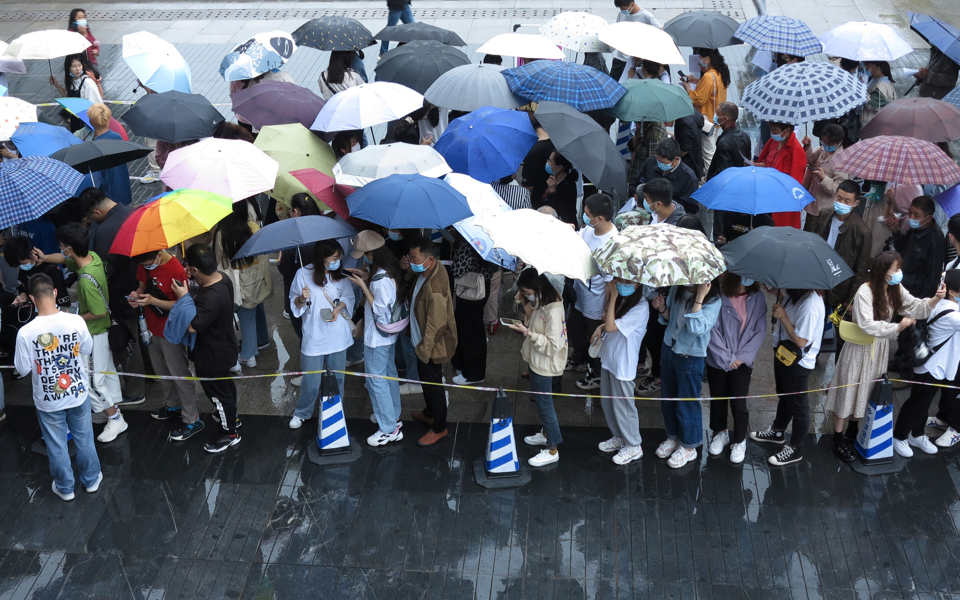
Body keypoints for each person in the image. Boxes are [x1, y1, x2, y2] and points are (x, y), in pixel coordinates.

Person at [826, 252, 942, 461]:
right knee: (847, 392)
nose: (899, 274)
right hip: (858, 349)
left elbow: (915, 306)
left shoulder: (895, 289)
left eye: (899, 268)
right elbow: (867, 324)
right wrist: (897, 326)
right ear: (883, 272)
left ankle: (853, 432)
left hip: (878, 349)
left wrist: (936, 299)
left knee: (867, 391)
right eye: (895, 270)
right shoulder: (865, 292)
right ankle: (837, 439)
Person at [35, 224, 128, 443]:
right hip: (101, 333)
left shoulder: (86, 280)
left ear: (70, 248)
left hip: (94, 335)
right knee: (107, 374)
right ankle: (110, 410)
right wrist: (45, 257)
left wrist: (70, 316)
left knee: (92, 381)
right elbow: (65, 260)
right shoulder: (92, 258)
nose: (62, 250)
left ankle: (115, 417)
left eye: (62, 247)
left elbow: (98, 312)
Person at [15, 273, 102, 501]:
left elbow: (22, 369)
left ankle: (65, 488)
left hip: (47, 399)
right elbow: (86, 349)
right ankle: (91, 480)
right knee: (84, 439)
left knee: (56, 444)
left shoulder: (25, 332)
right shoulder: (76, 321)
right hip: (77, 393)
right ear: (54, 293)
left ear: (32, 299)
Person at [78, 189, 145, 404]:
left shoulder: (106, 230)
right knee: (142, 339)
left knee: (127, 344)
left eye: (90, 217)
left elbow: (104, 269)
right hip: (140, 287)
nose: (89, 221)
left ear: (96, 212)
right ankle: (149, 377)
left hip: (121, 296)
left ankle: (135, 391)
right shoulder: (132, 212)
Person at [172, 243, 241, 453]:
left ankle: (229, 433)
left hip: (211, 356)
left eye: (187, 266)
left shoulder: (210, 297)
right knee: (225, 389)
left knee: (218, 395)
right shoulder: (223, 278)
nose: (185, 269)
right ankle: (232, 418)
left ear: (194, 270)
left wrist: (183, 298)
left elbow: (193, 326)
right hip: (224, 347)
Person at [128, 248, 203, 441]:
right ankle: (173, 404)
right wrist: (137, 294)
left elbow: (183, 304)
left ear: (159, 255)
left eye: (148, 264)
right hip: (151, 328)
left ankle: (191, 416)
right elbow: (142, 284)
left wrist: (153, 301)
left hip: (172, 330)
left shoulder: (176, 270)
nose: (146, 267)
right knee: (161, 369)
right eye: (143, 265)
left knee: (179, 372)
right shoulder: (143, 260)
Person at [750, 287, 825, 466]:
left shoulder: (810, 305)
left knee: (799, 405)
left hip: (798, 360)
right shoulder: (798, 293)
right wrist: (780, 293)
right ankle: (777, 431)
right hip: (785, 351)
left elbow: (801, 341)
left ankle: (795, 448)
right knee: (784, 394)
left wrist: (783, 317)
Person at [651, 280, 721, 468]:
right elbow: (670, 319)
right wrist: (662, 308)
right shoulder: (677, 289)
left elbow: (696, 329)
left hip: (690, 355)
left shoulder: (713, 300)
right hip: (669, 348)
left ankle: (689, 446)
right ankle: (673, 437)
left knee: (687, 402)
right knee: (668, 399)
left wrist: (699, 297)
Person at [892, 269, 960, 458]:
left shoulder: (941, 304)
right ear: (952, 292)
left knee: (924, 402)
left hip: (935, 365)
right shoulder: (952, 316)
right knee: (917, 402)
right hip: (932, 366)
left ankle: (917, 434)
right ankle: (900, 436)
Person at [289, 240, 356, 430]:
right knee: (311, 378)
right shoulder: (302, 274)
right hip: (314, 335)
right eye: (333, 258)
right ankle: (303, 412)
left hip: (337, 335)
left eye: (338, 258)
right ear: (322, 258)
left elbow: (348, 298)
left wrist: (338, 308)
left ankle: (336, 410)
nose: (337, 261)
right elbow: (295, 304)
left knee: (337, 378)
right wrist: (302, 298)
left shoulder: (340, 276)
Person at [344, 232, 404, 444]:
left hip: (377, 338)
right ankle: (393, 417)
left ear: (373, 254)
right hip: (389, 336)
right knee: (389, 375)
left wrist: (363, 286)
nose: (363, 258)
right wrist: (364, 275)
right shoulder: (388, 270)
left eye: (365, 255)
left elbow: (379, 310)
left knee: (376, 381)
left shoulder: (378, 281)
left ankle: (388, 428)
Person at [507, 267, 568, 467]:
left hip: (545, 364)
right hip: (536, 360)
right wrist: (524, 301)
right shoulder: (544, 300)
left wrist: (528, 333)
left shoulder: (554, 309)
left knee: (545, 405)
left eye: (528, 292)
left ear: (538, 287)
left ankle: (552, 448)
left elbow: (552, 345)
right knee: (543, 404)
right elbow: (533, 317)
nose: (527, 295)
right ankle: (545, 433)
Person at [705, 273, 766, 464]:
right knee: (718, 398)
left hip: (742, 362)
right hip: (718, 360)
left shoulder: (757, 297)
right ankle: (720, 432)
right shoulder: (719, 295)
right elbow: (712, 329)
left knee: (739, 402)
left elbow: (759, 330)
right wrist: (726, 357)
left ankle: (739, 440)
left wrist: (740, 358)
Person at [406, 237, 457, 447]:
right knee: (427, 383)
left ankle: (439, 427)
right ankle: (429, 413)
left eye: (414, 258)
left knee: (434, 386)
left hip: (430, 348)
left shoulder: (434, 287)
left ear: (429, 259)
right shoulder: (429, 270)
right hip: (422, 344)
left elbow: (436, 325)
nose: (410, 261)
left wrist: (424, 351)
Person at [593, 277, 649, 465]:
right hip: (610, 358)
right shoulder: (624, 300)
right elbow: (605, 319)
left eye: (627, 281)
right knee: (609, 402)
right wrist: (610, 296)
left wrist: (614, 296)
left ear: (639, 284)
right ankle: (619, 436)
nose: (621, 284)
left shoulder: (640, 306)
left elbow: (611, 325)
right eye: (619, 279)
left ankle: (634, 445)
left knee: (624, 406)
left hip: (624, 364)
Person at [213, 198, 272, 369]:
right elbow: (262, 258)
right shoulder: (253, 228)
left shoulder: (221, 233)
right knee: (248, 320)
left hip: (231, 283)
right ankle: (249, 355)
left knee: (226, 321)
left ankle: (232, 356)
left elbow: (218, 259)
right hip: (252, 282)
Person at [567, 194, 617, 389]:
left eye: (588, 215)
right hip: (580, 294)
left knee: (594, 338)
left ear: (601, 218)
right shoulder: (589, 229)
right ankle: (577, 360)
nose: (585, 218)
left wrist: (606, 309)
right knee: (575, 329)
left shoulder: (612, 243)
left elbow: (609, 284)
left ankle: (595, 373)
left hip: (596, 302)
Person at [816, 181, 872, 319]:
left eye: (847, 201)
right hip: (820, 277)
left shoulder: (862, 231)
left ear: (855, 203)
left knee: (837, 327)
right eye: (839, 198)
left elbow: (861, 268)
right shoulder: (825, 214)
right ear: (835, 195)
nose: (842, 203)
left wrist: (851, 299)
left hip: (842, 286)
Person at [450, 232, 497, 385]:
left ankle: (473, 373)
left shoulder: (467, 238)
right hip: (483, 285)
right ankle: (463, 365)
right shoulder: (489, 237)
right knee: (471, 327)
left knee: (470, 330)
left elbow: (458, 269)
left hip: (468, 289)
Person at [683, 48, 730, 173]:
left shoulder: (709, 77)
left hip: (707, 120)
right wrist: (697, 82)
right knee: (711, 150)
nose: (700, 64)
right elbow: (711, 90)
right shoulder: (719, 73)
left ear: (707, 59)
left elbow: (698, 99)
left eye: (700, 60)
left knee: (708, 154)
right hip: (715, 118)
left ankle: (710, 179)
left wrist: (688, 88)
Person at [890, 195, 946, 301]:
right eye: (910, 212)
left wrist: (921, 306)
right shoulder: (915, 228)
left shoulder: (935, 240)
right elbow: (902, 248)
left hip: (915, 294)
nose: (911, 217)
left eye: (916, 215)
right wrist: (895, 230)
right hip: (901, 286)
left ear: (928, 218)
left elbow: (932, 277)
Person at [753, 122, 806, 229]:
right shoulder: (774, 142)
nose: (772, 133)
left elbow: (795, 183)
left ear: (786, 131)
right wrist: (756, 165)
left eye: (775, 130)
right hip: (767, 193)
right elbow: (768, 162)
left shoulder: (796, 151)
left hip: (781, 201)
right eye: (771, 130)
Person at [801, 124, 848, 234]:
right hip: (813, 204)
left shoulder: (841, 160)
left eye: (829, 144)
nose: (826, 146)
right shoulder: (822, 150)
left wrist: (823, 178)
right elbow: (809, 160)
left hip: (825, 209)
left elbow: (839, 189)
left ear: (839, 142)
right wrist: (808, 147)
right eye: (823, 142)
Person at [632, 138, 699, 214]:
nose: (659, 164)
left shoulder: (689, 178)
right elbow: (634, 184)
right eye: (658, 161)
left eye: (663, 162)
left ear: (676, 159)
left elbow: (691, 209)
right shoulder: (650, 163)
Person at [87, 103, 132, 205]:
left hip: (108, 197)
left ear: (91, 121)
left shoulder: (94, 146)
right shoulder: (117, 137)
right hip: (123, 192)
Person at [609, 0, 661, 81]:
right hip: (621, 58)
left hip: (637, 60)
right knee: (612, 84)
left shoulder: (646, 16)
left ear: (632, 4)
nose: (622, 11)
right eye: (620, 8)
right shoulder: (621, 14)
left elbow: (661, 32)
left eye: (623, 8)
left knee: (632, 85)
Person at [49, 54, 102, 132]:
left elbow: (94, 106)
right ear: (68, 68)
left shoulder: (88, 83)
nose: (78, 69)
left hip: (87, 121)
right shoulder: (72, 80)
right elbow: (68, 98)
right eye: (74, 66)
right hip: (75, 120)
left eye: (79, 65)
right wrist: (56, 84)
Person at [520, 116, 555, 205]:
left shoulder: (533, 152)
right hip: (555, 197)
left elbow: (528, 187)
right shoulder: (556, 143)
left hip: (537, 200)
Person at [626, 120, 668, 195]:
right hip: (637, 178)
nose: (635, 122)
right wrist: (636, 138)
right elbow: (631, 147)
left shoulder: (654, 131)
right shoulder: (643, 126)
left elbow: (653, 163)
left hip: (644, 183)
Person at [540, 151, 578, 225]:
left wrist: (552, 192)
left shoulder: (568, 185)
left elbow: (562, 210)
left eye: (550, 161)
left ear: (559, 167)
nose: (547, 162)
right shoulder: (551, 179)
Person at [860, 61, 896, 128]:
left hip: (872, 122)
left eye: (870, 65)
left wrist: (863, 89)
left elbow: (874, 105)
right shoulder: (877, 79)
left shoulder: (880, 85)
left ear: (879, 69)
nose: (867, 68)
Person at [673, 111, 704, 181]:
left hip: (687, 163)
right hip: (696, 161)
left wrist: (673, 158)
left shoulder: (685, 122)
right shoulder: (694, 113)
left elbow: (685, 148)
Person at [67, 8, 99, 73]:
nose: (82, 19)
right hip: (80, 64)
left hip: (91, 61)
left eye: (84, 17)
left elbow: (94, 42)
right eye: (79, 17)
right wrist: (83, 34)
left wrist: (96, 50)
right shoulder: (71, 32)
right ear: (74, 19)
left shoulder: (86, 30)